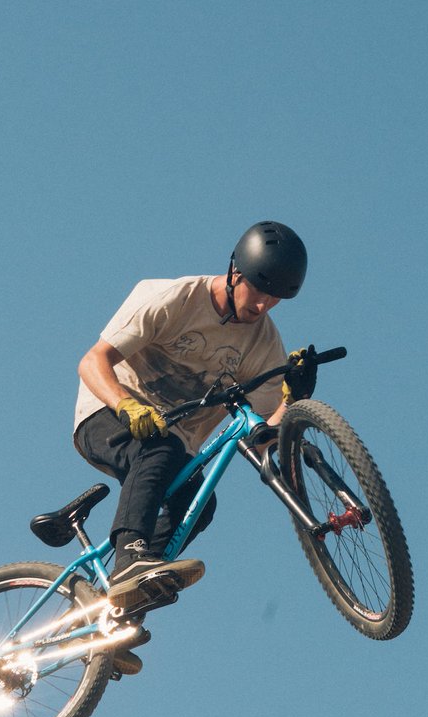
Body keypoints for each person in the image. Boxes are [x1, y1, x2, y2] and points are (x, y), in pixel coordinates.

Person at [73, 222, 317, 672]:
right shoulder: (173, 299)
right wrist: (127, 406)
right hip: (107, 412)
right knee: (158, 450)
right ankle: (130, 559)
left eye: (276, 298)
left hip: (173, 444)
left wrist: (293, 398)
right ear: (235, 272)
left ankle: (117, 616)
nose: (263, 305)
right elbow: (93, 361)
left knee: (197, 511)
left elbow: (259, 437)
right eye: (258, 291)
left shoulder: (265, 345)